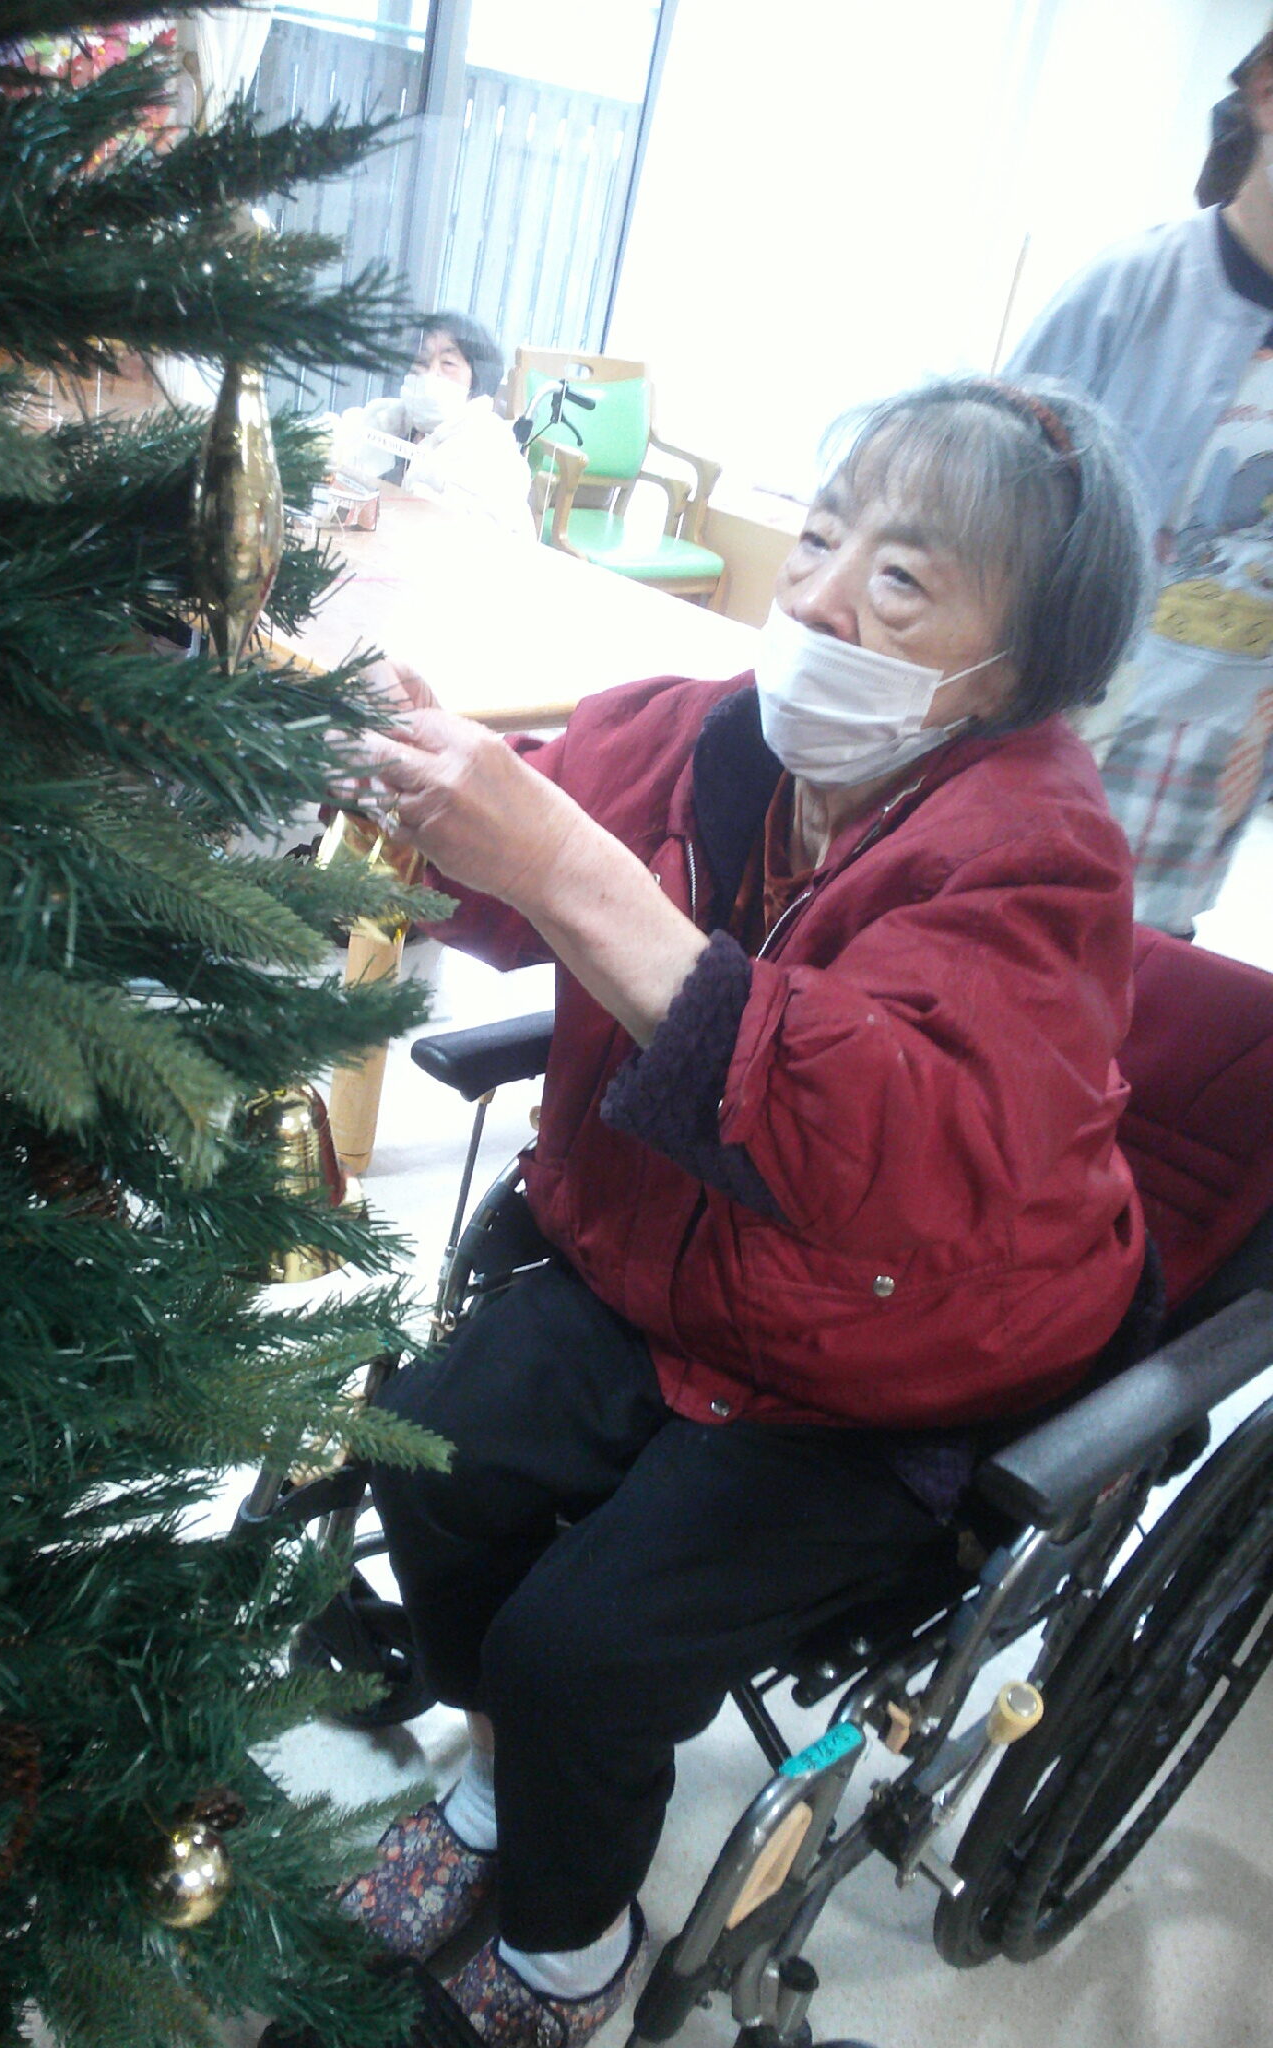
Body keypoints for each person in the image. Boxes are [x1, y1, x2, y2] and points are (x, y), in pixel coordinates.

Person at [327, 375, 1155, 2048]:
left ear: (1021, 665)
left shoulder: (1042, 861)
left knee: (584, 1649)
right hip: (665, 1270)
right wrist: (422, 786)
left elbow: (874, 1157)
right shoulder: (705, 735)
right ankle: (498, 1782)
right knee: (425, 1450)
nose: (822, 596)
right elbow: (523, 850)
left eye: (902, 578)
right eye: (824, 534)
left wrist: (567, 868)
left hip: (889, 1360)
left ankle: (570, 1951)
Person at [1005, 24, 1273, 935]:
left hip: (1198, 804)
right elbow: (989, 522)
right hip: (1047, 767)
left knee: (1138, 991)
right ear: (1266, 92)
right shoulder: (1131, 291)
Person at [328, 310, 534, 536]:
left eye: (448, 363)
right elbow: (334, 441)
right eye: (422, 361)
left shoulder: (490, 448)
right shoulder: (387, 417)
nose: (430, 373)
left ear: (478, 379)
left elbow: (476, 535)